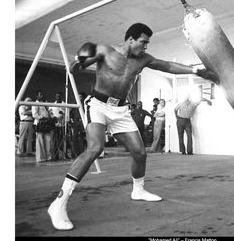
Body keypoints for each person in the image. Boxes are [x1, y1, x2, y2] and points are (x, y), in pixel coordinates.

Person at [47, 22, 217, 230]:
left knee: (139, 152)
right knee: (95, 148)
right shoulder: (104, 50)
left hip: (121, 110)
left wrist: (197, 70)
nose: (145, 47)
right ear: (131, 39)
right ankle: (59, 203)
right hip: (98, 105)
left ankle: (138, 190)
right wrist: (77, 61)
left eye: (147, 43)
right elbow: (74, 69)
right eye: (143, 42)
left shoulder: (142, 60)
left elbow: (167, 66)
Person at [32, 90, 54, 163]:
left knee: (48, 140)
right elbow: (34, 114)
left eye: (42, 94)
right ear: (37, 96)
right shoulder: (35, 104)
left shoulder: (45, 103)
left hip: (47, 123)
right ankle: (40, 158)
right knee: (40, 141)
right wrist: (42, 117)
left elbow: (49, 112)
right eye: (40, 94)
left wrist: (51, 117)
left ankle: (49, 157)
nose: (42, 96)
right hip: (39, 123)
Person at [50, 92, 65, 160]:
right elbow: (50, 113)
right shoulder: (53, 105)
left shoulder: (64, 104)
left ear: (61, 97)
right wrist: (54, 117)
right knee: (54, 141)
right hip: (55, 125)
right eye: (57, 96)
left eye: (59, 96)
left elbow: (66, 113)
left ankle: (63, 155)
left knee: (61, 141)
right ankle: (55, 156)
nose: (58, 98)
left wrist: (62, 116)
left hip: (62, 125)